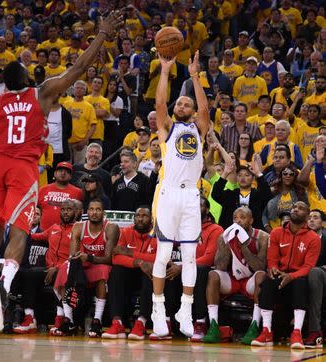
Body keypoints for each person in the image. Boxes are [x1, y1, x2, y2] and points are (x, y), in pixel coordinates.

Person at [0, 12, 123, 341]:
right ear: (29, 79)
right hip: (22, 167)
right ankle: (2, 287)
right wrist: (102, 34)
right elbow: (78, 69)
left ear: (5, 83)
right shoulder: (42, 94)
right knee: (19, 233)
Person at [150, 51, 209, 338]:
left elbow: (206, 109)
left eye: (188, 103)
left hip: (191, 197)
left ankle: (185, 310)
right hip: (170, 195)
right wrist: (164, 70)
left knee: (189, 256)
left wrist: (195, 76)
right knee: (162, 254)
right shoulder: (168, 128)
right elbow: (160, 102)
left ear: (193, 111)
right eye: (181, 102)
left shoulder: (199, 127)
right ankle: (157, 309)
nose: (184, 104)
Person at [251, 202, 321, 349]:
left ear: (307, 216)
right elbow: (272, 260)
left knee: (300, 282)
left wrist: (292, 276)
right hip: (281, 276)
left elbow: (308, 266)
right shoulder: (277, 233)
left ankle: (297, 333)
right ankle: (266, 331)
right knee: (268, 280)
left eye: (301, 208)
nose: (295, 209)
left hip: (298, 278)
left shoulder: (313, 238)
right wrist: (273, 269)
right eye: (294, 207)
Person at [53, 199, 120, 337]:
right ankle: (69, 319)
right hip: (85, 265)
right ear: (86, 211)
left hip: (101, 264)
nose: (94, 212)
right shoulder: (79, 227)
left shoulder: (111, 227)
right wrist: (78, 259)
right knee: (66, 267)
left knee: (103, 270)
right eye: (91, 209)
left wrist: (89, 257)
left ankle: (97, 320)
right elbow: (73, 256)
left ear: (103, 213)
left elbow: (109, 259)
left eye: (98, 209)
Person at [203, 207, 269, 345]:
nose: (238, 221)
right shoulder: (224, 236)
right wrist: (227, 243)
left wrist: (243, 246)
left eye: (242, 217)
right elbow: (220, 266)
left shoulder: (262, 237)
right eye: (235, 218)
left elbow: (260, 267)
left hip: (250, 280)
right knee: (213, 274)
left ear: (251, 220)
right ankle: (214, 326)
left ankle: (254, 326)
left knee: (261, 275)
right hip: (232, 280)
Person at [14, 200, 75, 334]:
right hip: (48, 270)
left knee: (62, 277)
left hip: (67, 270)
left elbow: (76, 255)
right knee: (28, 274)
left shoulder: (78, 229)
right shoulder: (53, 228)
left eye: (69, 209)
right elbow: (34, 236)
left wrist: (58, 268)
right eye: (63, 209)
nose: (65, 212)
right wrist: (19, 226)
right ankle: (30, 318)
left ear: (75, 212)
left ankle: (60, 318)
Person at [102, 206, 156, 340]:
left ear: (151, 219)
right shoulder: (126, 232)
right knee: (116, 272)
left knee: (151, 271)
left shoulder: (157, 234)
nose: (141, 219)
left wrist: (131, 253)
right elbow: (116, 257)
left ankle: (141, 322)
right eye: (138, 216)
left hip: (147, 276)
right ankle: (117, 322)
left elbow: (160, 258)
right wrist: (139, 262)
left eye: (144, 216)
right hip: (131, 273)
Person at [38, 162, 83, 230]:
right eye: (60, 171)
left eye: (67, 172)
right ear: (55, 173)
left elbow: (80, 214)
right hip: (43, 232)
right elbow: (37, 210)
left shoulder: (78, 192)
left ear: (71, 176)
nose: (63, 173)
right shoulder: (42, 190)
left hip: (66, 233)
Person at [305, 209, 326, 348]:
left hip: (321, 275)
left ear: (323, 223)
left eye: (315, 217)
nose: (311, 220)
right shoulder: (302, 238)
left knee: (315, 272)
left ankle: (314, 330)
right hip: (305, 275)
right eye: (309, 217)